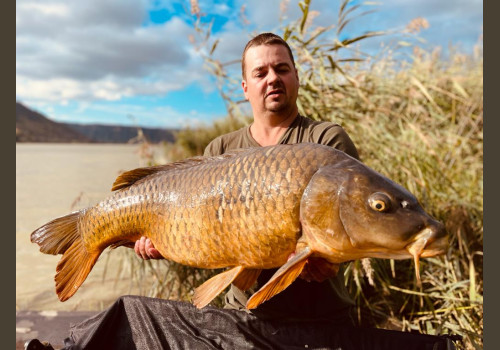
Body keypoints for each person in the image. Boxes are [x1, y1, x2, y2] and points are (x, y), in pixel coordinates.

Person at [134, 32, 360, 324]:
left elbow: (357, 226)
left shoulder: (326, 140)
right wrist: (164, 243)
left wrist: (331, 261)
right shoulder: (220, 150)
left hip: (323, 316)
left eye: (281, 69)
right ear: (245, 88)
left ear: (296, 78)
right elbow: (203, 240)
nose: (272, 78)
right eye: (260, 72)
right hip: (243, 316)